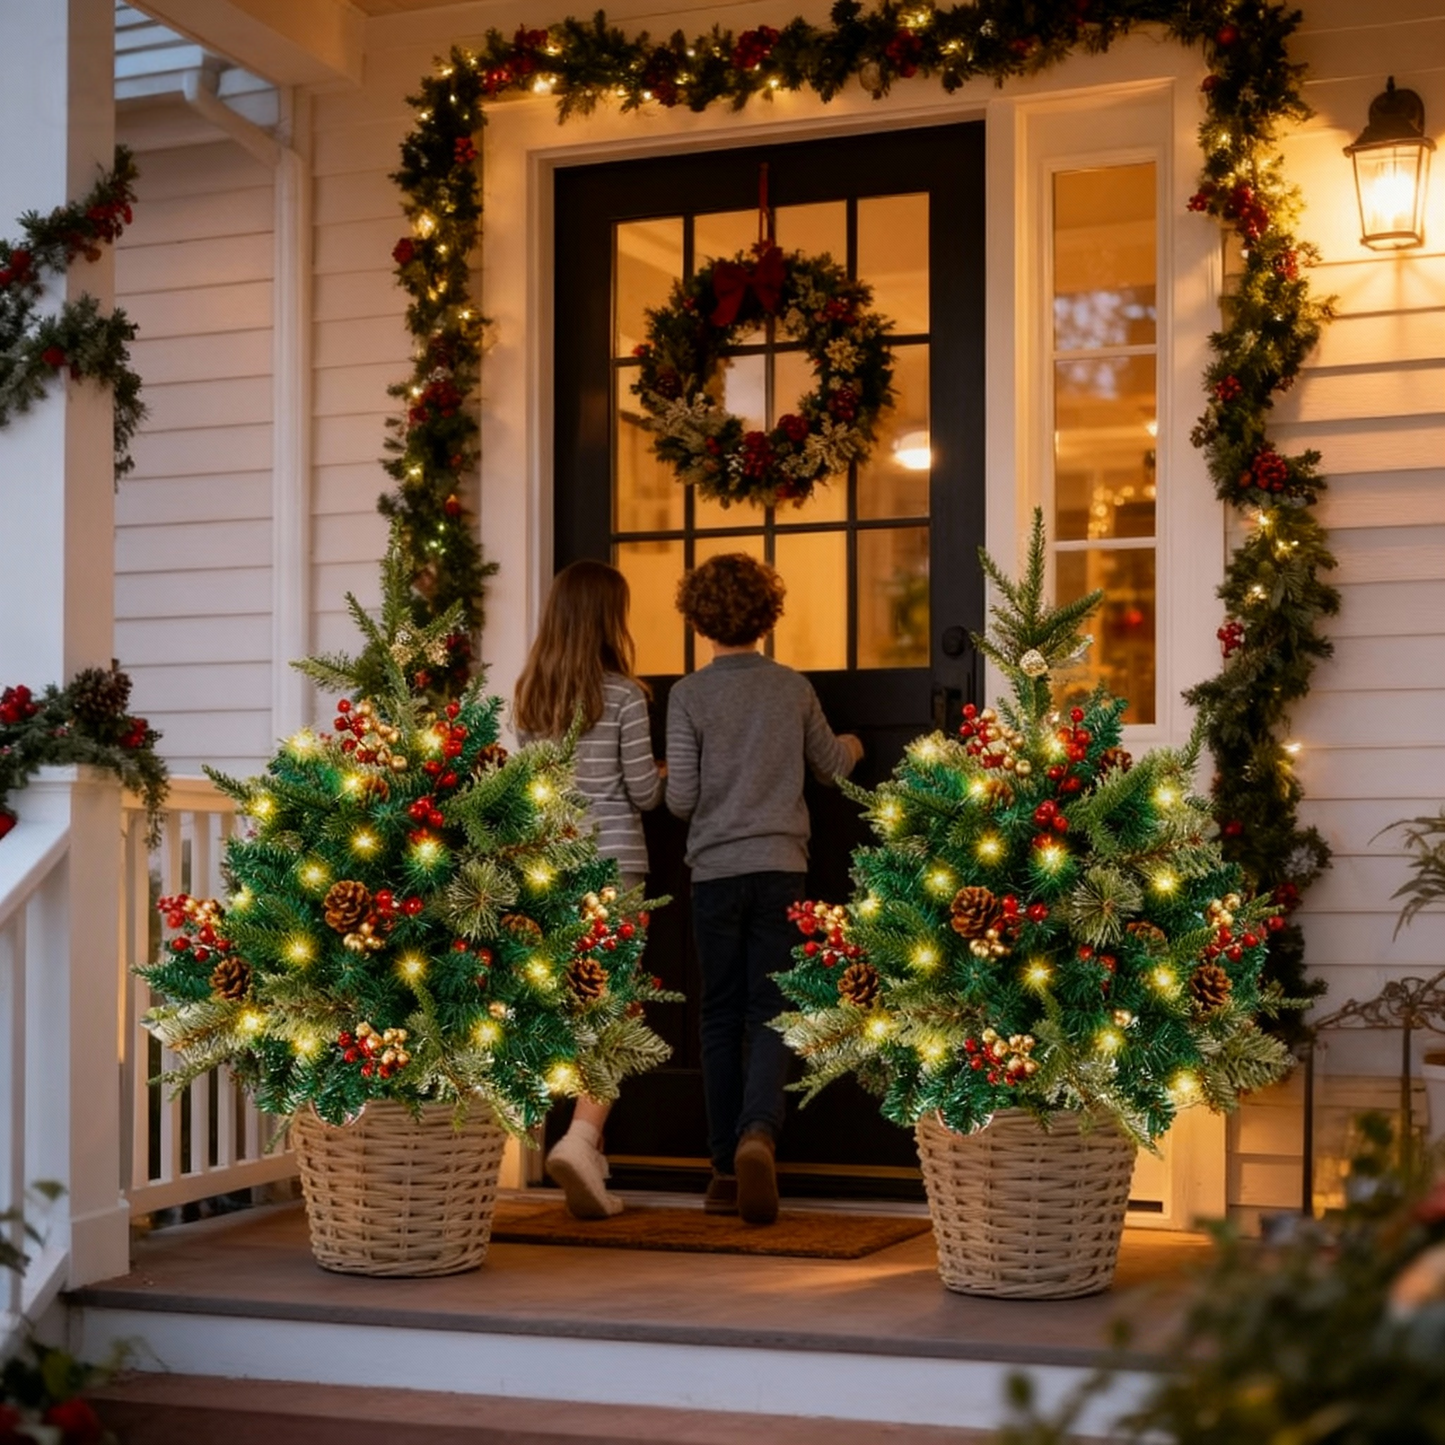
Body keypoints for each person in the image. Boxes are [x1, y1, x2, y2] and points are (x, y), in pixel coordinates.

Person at [665, 553, 863, 1225]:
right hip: (782, 866)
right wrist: (856, 744)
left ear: (698, 618)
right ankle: (759, 1133)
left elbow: (682, 799)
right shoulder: (791, 687)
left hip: (715, 874)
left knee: (718, 1015)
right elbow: (833, 769)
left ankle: (724, 1169)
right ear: (766, 613)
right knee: (773, 1011)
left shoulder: (689, 696)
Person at [515, 559, 664, 1219]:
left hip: (552, 869)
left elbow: (529, 793)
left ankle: (586, 1152)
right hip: (615, 868)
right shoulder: (625, 696)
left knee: (570, 1006)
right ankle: (582, 1135)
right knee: (614, 1008)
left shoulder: (529, 696)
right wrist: (661, 768)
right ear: (611, 619)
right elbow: (645, 792)